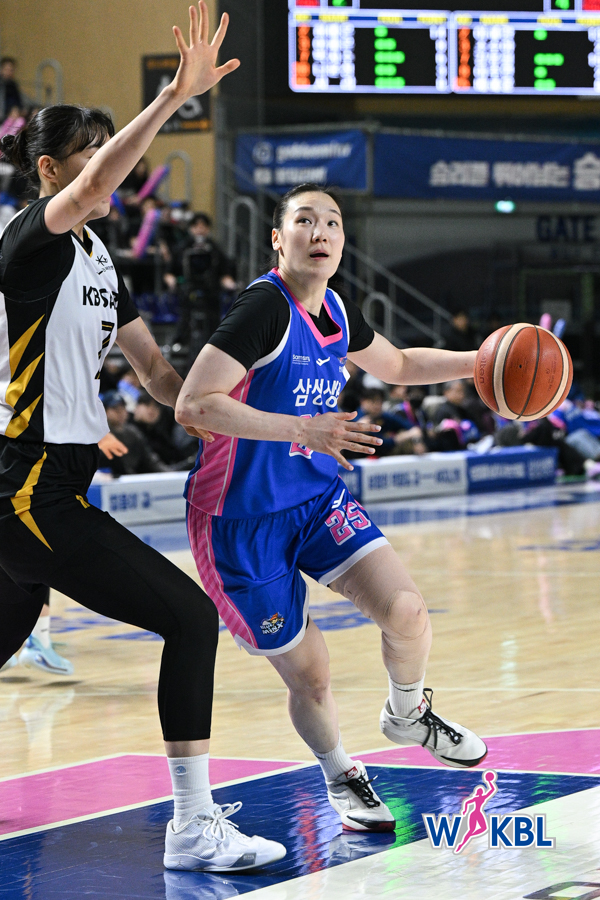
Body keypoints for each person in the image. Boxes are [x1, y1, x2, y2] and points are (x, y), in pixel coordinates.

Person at [0, 2, 285, 872]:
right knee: (190, 620)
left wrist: (240, 410)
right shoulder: (26, 239)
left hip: (58, 483)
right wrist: (171, 98)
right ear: (49, 169)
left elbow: (160, 377)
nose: (104, 168)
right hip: (25, 485)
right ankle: (192, 827)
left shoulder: (99, 260)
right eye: (89, 153)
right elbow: (90, 192)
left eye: (105, 149)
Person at [175, 183, 488, 835]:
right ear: (277, 239)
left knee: (406, 611)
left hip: (315, 499)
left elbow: (398, 363)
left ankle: (407, 713)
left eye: (332, 223)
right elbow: (193, 404)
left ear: (343, 241)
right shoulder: (264, 307)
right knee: (312, 676)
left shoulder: (338, 310)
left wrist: (484, 362)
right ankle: (340, 770)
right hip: (238, 522)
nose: (320, 232)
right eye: (304, 220)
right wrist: (302, 429)